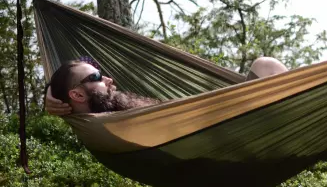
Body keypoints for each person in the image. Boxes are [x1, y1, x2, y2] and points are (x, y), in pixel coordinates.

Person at [45, 57, 288, 115]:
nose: (109, 79)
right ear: (76, 93)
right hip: (230, 127)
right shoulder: (99, 127)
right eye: (98, 77)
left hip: (231, 115)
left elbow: (72, 73)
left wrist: (49, 91)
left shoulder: (107, 109)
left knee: (265, 66)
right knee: (266, 66)